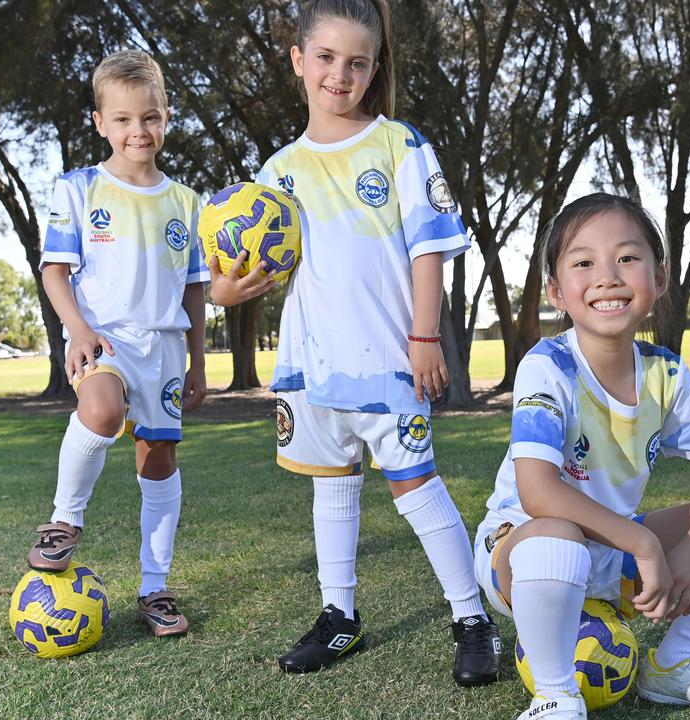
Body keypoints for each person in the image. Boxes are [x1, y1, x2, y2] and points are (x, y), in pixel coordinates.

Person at [209, 0, 500, 687]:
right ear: (298, 60)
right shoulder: (276, 170)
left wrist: (425, 336)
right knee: (330, 490)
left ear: (374, 70)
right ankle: (339, 617)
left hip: (387, 361)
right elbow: (245, 268)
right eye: (327, 57)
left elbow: (428, 249)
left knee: (416, 487)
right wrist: (224, 294)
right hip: (311, 367)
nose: (340, 74)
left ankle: (472, 619)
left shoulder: (399, 146)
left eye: (358, 62)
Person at [473, 193, 690, 720]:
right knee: (558, 537)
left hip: (613, 548)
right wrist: (644, 542)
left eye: (627, 257)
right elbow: (538, 492)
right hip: (522, 551)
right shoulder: (547, 366)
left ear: (659, 278)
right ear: (556, 291)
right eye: (583, 263)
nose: (608, 276)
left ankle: (675, 664)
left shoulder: (666, 373)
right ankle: (555, 695)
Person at [26, 49, 209, 639]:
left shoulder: (186, 202)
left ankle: (155, 588)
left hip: (166, 351)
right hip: (103, 339)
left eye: (150, 117)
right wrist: (76, 330)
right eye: (124, 119)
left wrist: (200, 362)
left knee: (157, 462)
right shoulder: (79, 189)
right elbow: (55, 271)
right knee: (101, 411)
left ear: (166, 117)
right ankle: (62, 522)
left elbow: (193, 291)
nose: (139, 130)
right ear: (101, 122)